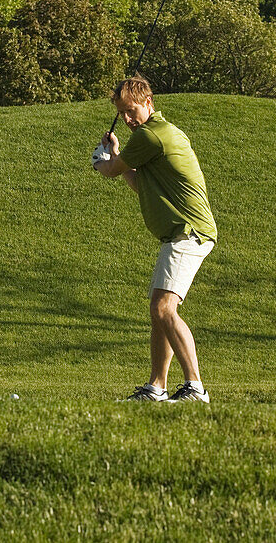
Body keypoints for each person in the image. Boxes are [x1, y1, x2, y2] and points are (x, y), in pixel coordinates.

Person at [92, 76, 218, 403]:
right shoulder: (151, 136)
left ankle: (195, 388)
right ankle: (156, 388)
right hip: (182, 233)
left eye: (132, 110)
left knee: (164, 308)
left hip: (188, 232)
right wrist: (116, 156)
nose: (128, 119)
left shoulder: (151, 137)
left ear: (149, 103)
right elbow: (138, 182)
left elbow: (112, 171)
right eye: (122, 114)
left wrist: (101, 162)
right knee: (158, 309)